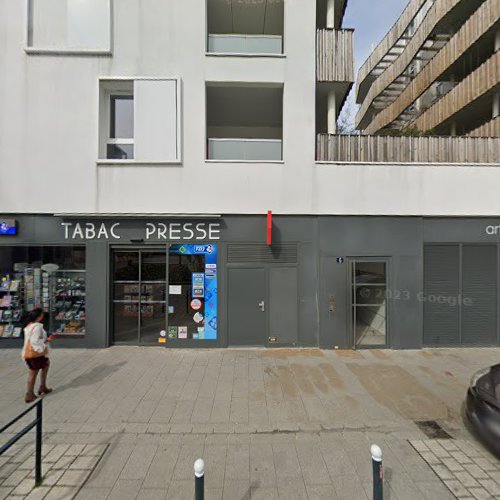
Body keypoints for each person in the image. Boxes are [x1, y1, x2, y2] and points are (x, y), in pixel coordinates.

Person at [22, 308, 56, 403]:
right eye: (42, 314)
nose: (43, 315)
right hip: (35, 354)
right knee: (33, 372)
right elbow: (35, 341)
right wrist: (47, 341)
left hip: (35, 353)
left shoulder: (29, 325)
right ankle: (29, 394)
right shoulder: (37, 327)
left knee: (46, 364)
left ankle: (43, 386)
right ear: (39, 316)